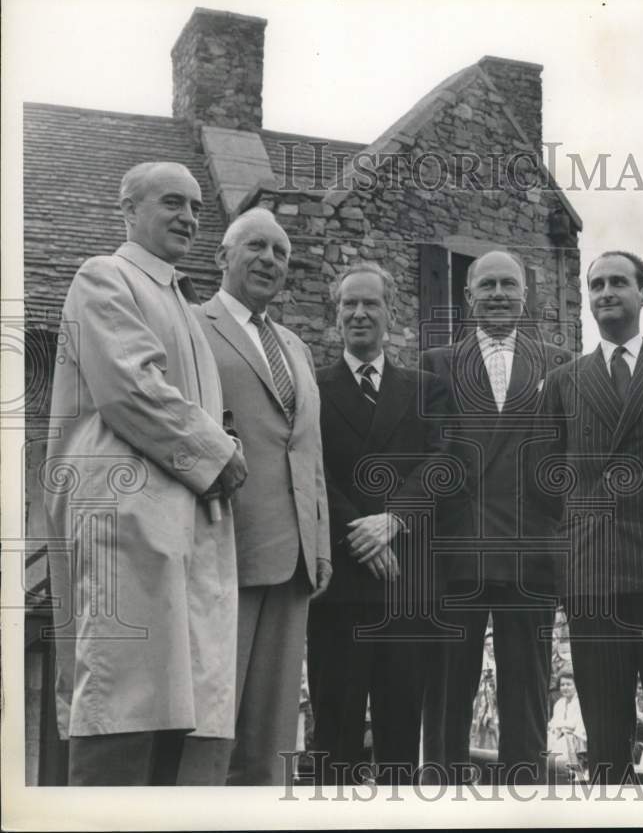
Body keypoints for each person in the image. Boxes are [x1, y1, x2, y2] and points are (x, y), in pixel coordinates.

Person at [44, 161, 247, 785]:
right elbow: (130, 388)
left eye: (196, 207)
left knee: (180, 710)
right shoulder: (104, 276)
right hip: (125, 523)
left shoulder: (182, 304)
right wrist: (220, 454)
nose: (189, 217)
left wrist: (219, 447)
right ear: (129, 210)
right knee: (122, 695)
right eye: (172, 203)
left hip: (184, 526)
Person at [538, 250, 643, 784]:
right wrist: (567, 562)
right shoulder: (564, 381)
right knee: (607, 741)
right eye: (596, 285)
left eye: (618, 282)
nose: (606, 292)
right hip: (594, 579)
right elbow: (543, 482)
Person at [421, 250, 571, 784]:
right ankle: (441, 797)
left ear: (525, 295)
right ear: (468, 296)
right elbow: (429, 455)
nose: (499, 294)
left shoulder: (558, 362)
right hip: (457, 551)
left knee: (527, 692)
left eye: (510, 284)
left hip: (531, 550)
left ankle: (523, 799)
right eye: (488, 285)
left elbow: (567, 457)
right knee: (447, 691)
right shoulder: (437, 363)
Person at [194, 207, 331, 785]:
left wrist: (319, 545)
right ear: (222, 256)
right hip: (224, 549)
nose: (270, 259)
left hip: (293, 560)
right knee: (211, 726)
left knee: (272, 739)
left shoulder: (295, 346)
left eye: (280, 253)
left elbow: (309, 453)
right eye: (256, 246)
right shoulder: (193, 327)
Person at [308, 263, 449, 785]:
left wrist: (393, 520)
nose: (359, 313)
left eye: (371, 303)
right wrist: (360, 532)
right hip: (339, 585)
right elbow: (310, 470)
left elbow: (442, 463)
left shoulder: (426, 388)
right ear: (336, 314)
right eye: (349, 304)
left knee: (399, 736)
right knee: (334, 736)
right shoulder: (312, 387)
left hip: (404, 585)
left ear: (392, 313)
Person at [547, 670, 586, 770]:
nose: (565, 687)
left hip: (575, 739)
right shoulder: (559, 703)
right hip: (558, 735)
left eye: (568, 684)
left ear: (576, 686)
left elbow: (577, 726)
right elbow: (554, 723)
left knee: (556, 759)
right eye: (562, 685)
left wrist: (562, 727)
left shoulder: (581, 703)